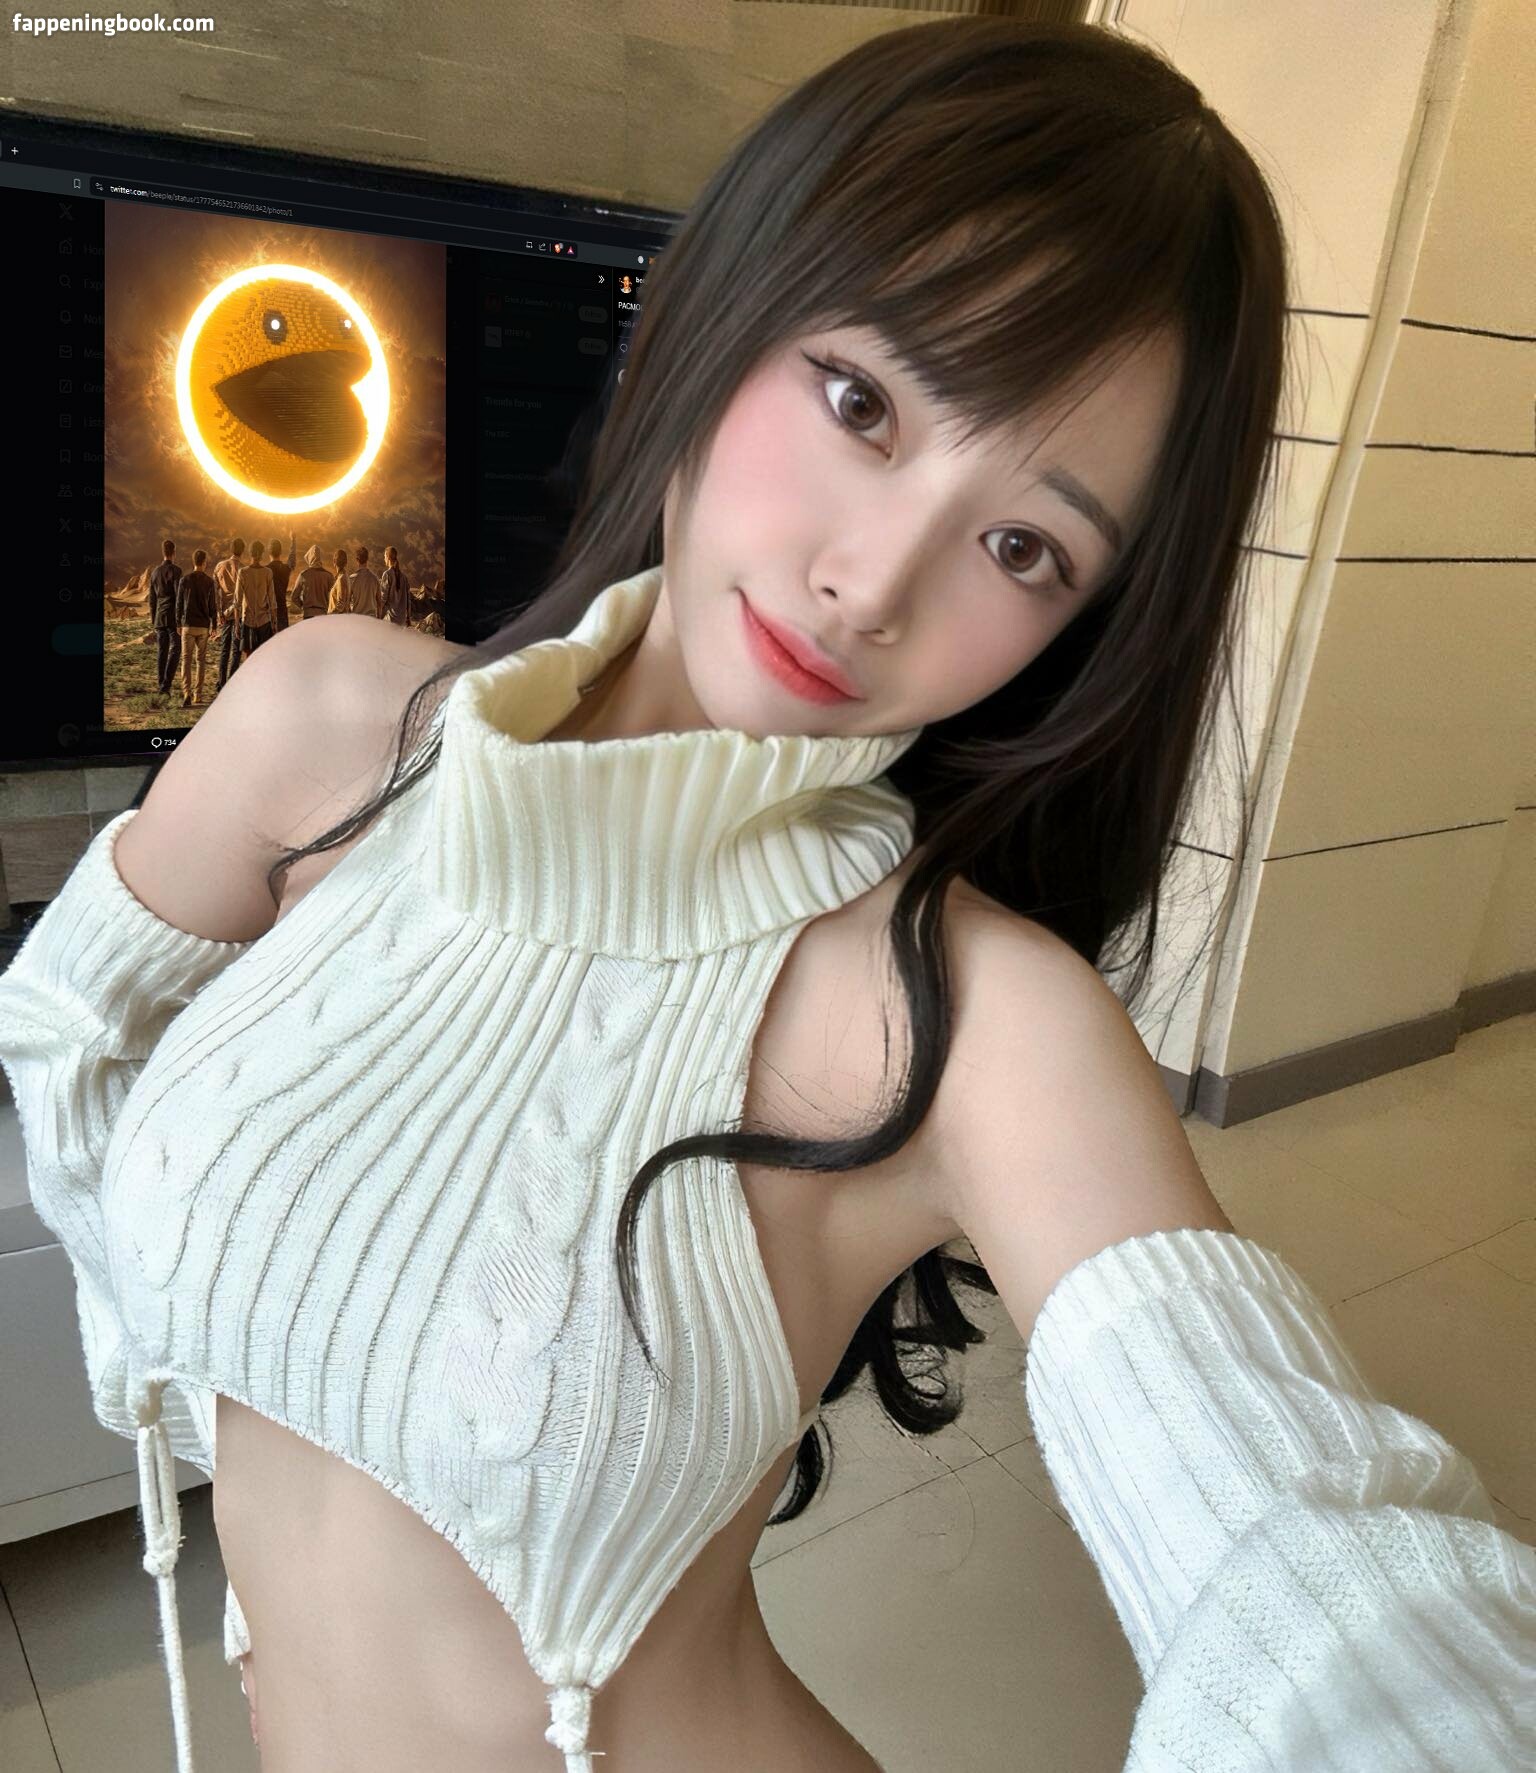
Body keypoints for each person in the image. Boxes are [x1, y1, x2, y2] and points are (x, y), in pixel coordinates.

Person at [0, 21, 1530, 1773]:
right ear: (726, 300)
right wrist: (201, 1331)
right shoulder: (324, 717)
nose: (871, 583)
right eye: (863, 401)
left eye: (1024, 546)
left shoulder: (962, 1015)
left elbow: (1304, 1551)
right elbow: (65, 1021)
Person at [174, 546, 218, 707]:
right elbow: (213, 606)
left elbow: (179, 604)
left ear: (193, 562)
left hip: (188, 625)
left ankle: (186, 692)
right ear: (204, 562)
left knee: (186, 660)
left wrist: (178, 623)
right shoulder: (209, 582)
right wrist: (214, 625)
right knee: (200, 661)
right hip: (203, 627)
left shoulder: (184, 580)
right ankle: (197, 695)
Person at [146, 538, 182, 702]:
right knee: (176, 648)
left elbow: (152, 600)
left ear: (163, 552)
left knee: (162, 651)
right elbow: (179, 597)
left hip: (160, 617)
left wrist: (154, 619)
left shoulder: (155, 572)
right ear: (174, 552)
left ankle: (162, 685)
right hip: (173, 617)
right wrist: (180, 619)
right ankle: (165, 686)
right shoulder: (177, 571)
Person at [211, 536, 246, 689]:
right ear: (242, 551)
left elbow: (215, 592)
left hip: (224, 615)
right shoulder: (244, 569)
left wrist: (220, 612)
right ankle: (231, 684)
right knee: (236, 650)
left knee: (224, 650)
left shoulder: (220, 566)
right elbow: (242, 596)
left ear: (231, 549)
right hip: (239, 614)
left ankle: (221, 682)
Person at [235, 539, 277, 659]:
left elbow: (237, 602)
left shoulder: (243, 572)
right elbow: (272, 601)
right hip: (264, 621)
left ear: (250, 553)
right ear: (262, 554)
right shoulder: (267, 573)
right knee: (264, 657)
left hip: (248, 621)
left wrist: (237, 624)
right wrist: (274, 623)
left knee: (249, 658)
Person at [291, 542, 332, 619]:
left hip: (308, 614)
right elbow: (335, 596)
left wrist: (303, 605)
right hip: (323, 614)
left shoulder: (303, 575)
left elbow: (294, 597)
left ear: (309, 558)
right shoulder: (328, 576)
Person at [377, 544, 410, 625]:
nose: (384, 559)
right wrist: (408, 617)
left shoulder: (387, 574)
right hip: (402, 620)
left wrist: (378, 615)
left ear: (388, 557)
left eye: (384, 556)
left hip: (390, 619)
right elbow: (408, 600)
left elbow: (383, 598)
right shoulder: (404, 577)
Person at [346, 543, 381, 619]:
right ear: (367, 559)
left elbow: (347, 602)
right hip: (371, 619)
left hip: (357, 619)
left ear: (357, 560)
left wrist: (350, 616)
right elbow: (379, 603)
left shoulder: (351, 579)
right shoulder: (375, 579)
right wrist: (378, 620)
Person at [266, 537, 294, 632]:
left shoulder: (266, 570)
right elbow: (292, 560)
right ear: (281, 551)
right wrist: (293, 541)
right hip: (282, 609)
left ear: (269, 552)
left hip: (269, 611)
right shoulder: (286, 568)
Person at [325, 545, 351, 613]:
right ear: (346, 563)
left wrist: (329, 615)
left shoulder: (341, 579)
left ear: (334, 561)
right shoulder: (345, 576)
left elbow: (340, 605)